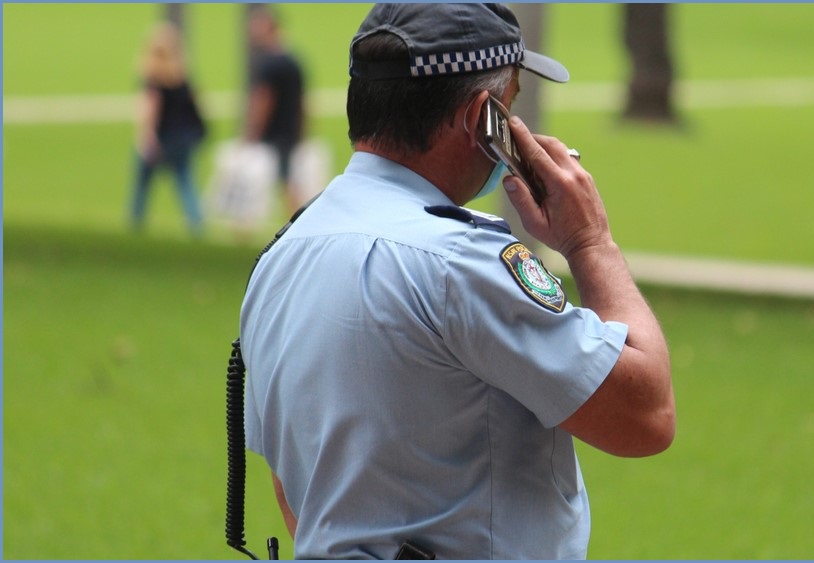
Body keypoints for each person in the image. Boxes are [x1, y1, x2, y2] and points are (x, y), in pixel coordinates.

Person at [240, 4, 675, 559]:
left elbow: (291, 483)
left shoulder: (281, 254)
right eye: (510, 106)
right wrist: (591, 243)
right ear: (482, 120)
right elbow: (646, 417)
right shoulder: (459, 262)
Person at [129, 21, 206, 235]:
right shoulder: (181, 78)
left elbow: (150, 110)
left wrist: (147, 137)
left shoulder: (152, 79)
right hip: (182, 140)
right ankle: (196, 225)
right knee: (185, 183)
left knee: (142, 184)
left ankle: (135, 223)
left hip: (160, 139)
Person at [243, 6, 307, 217]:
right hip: (289, 132)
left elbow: (263, 101)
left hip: (274, 135)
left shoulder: (268, 64)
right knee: (286, 180)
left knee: (267, 183)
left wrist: (252, 132)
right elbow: (302, 102)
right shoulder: (293, 60)